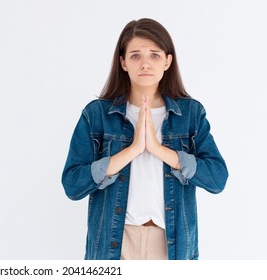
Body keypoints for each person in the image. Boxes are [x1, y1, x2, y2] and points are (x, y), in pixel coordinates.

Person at [61, 18, 228, 260]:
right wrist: (133, 150)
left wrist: (159, 150)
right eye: (136, 55)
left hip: (172, 246)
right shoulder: (96, 115)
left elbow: (217, 178)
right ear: (123, 62)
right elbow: (73, 185)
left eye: (155, 55)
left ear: (168, 61)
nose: (145, 64)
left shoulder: (190, 114)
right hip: (114, 244)